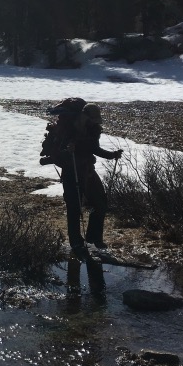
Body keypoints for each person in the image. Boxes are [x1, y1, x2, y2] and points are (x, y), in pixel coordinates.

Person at [60, 102, 122, 253]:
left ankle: (94, 238)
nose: (94, 122)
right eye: (93, 119)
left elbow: (94, 148)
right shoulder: (69, 128)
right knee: (74, 207)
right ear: (84, 115)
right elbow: (60, 150)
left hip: (87, 170)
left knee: (100, 203)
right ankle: (76, 242)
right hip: (71, 171)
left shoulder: (93, 129)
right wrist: (69, 149)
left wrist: (112, 155)